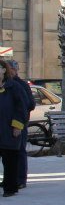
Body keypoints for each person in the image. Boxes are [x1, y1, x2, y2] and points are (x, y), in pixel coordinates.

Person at [3, 60, 33, 189]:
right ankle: (8, 179)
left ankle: (20, 180)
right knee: (7, 154)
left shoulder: (20, 85)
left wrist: (19, 122)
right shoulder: (4, 84)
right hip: (4, 125)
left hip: (19, 124)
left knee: (19, 151)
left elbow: (29, 104)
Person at [0, 59, 26, 197]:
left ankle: (10, 188)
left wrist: (17, 126)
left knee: (9, 160)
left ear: (4, 70)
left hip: (9, 130)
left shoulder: (14, 87)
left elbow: (22, 107)